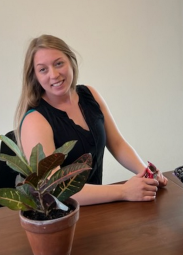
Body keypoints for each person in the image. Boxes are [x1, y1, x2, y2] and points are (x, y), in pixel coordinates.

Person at [14, 34, 167, 206]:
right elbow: (55, 189)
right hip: (59, 217)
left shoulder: (89, 94)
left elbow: (117, 143)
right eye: (43, 69)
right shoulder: (35, 120)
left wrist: (147, 174)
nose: (54, 74)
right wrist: (124, 191)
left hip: (95, 207)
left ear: (71, 61)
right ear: (34, 75)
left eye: (59, 63)